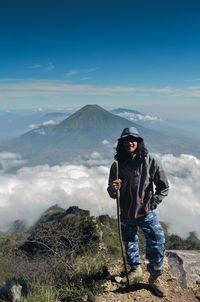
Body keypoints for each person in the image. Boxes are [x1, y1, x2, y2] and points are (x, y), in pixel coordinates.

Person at [107, 127, 169, 297]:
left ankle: (155, 277)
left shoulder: (151, 160)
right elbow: (112, 193)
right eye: (126, 140)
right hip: (126, 213)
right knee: (129, 242)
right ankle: (135, 269)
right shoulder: (117, 166)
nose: (130, 142)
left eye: (133, 139)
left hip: (146, 213)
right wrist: (114, 188)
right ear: (121, 144)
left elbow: (163, 187)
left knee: (157, 240)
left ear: (139, 142)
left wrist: (152, 203)